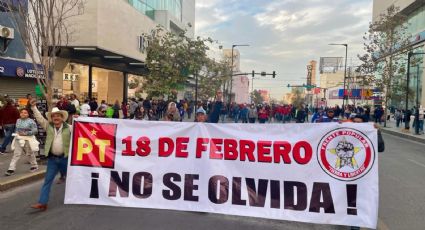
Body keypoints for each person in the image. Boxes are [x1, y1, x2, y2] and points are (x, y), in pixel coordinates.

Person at [29, 99, 71, 211]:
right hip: (52, 159)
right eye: (54, 116)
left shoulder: (70, 128)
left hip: (65, 159)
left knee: (74, 179)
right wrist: (33, 107)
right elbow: (39, 118)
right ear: (51, 118)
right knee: (47, 181)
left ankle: (83, 196)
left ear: (62, 117)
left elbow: (83, 131)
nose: (56, 118)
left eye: (58, 116)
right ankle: (42, 203)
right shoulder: (48, 126)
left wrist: (80, 121)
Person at [5, 108, 39, 176]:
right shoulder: (18, 120)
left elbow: (35, 131)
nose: (23, 114)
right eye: (22, 112)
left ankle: (34, 165)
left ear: (28, 114)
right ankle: (11, 169)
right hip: (19, 139)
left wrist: (25, 133)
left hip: (27, 139)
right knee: (16, 154)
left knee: (29, 153)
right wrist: (16, 133)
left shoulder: (31, 121)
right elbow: (16, 129)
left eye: (25, 112)